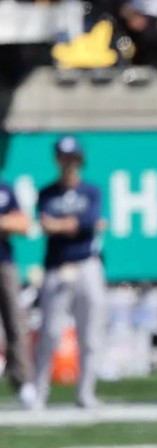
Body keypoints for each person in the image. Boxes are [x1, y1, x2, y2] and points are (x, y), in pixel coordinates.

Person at [33, 136, 107, 410]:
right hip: (57, 266)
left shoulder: (91, 191)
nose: (68, 164)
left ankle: (85, 392)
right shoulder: (47, 192)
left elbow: (89, 223)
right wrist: (71, 225)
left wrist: (61, 225)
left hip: (87, 263)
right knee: (49, 332)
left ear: (80, 160)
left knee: (90, 334)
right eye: (64, 158)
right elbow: (46, 224)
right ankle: (39, 391)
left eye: (72, 158)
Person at [0, 179, 34, 407]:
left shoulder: (4, 189)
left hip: (4, 261)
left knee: (15, 321)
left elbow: (23, 223)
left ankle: (22, 381)